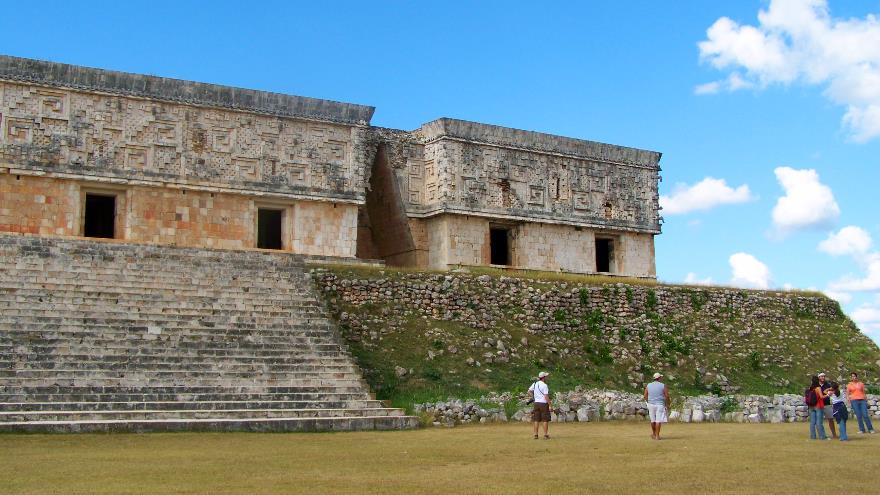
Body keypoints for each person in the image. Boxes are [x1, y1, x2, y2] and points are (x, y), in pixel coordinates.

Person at [644, 372, 669, 440]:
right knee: (658, 420)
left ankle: (654, 434)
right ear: (659, 378)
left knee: (652, 420)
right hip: (660, 404)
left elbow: (645, 395)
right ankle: (657, 436)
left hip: (651, 404)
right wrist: (667, 404)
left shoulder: (649, 385)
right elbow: (667, 396)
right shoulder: (663, 385)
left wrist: (648, 401)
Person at [529, 371, 552, 440]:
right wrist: (550, 405)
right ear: (544, 378)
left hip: (536, 403)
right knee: (545, 420)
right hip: (543, 404)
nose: (547, 377)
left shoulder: (535, 383)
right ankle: (545, 435)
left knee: (536, 419)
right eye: (546, 376)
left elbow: (529, 391)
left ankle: (536, 435)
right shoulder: (545, 385)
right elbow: (546, 396)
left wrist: (533, 398)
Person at [807, 375, 829, 440]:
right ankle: (822, 436)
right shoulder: (818, 388)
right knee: (819, 422)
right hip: (818, 406)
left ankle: (812, 436)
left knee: (812, 422)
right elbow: (821, 396)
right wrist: (827, 395)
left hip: (811, 406)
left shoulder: (810, 388)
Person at [818, 372, 837, 439]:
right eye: (821, 376)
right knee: (819, 421)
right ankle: (821, 435)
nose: (823, 378)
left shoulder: (827, 385)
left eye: (824, 376)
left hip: (827, 404)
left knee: (831, 419)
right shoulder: (816, 385)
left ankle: (834, 434)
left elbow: (832, 392)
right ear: (819, 377)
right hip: (819, 405)